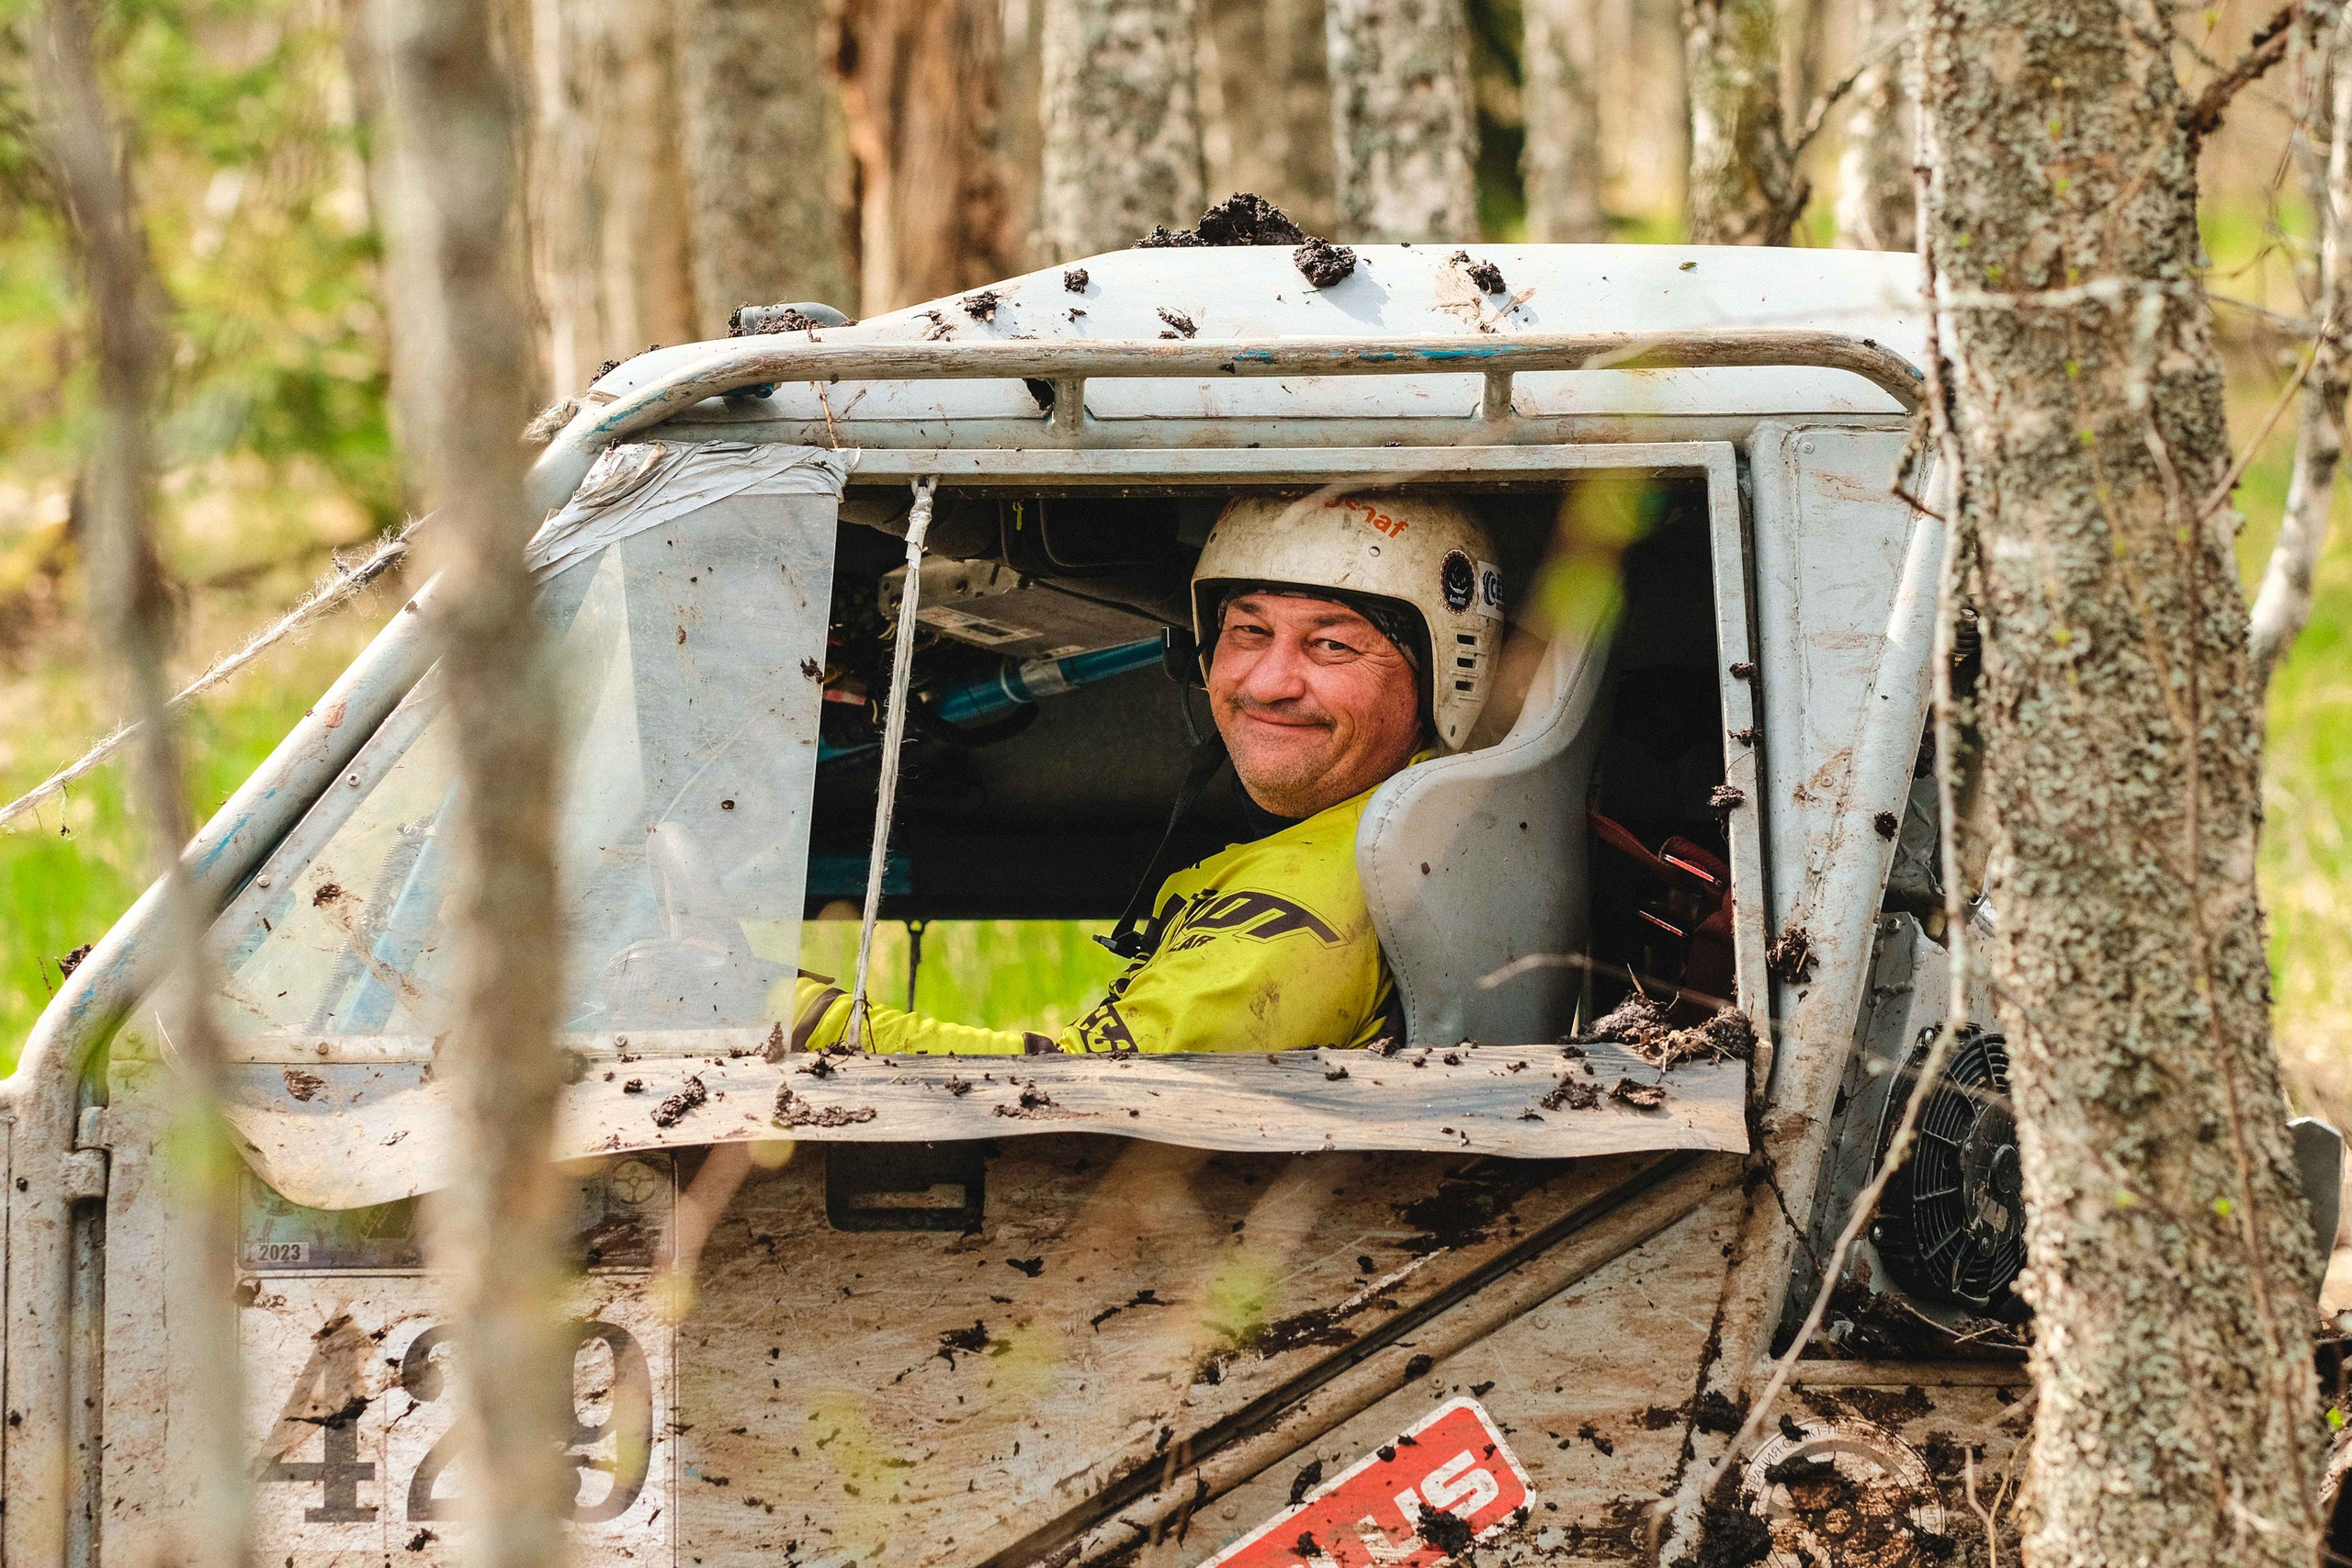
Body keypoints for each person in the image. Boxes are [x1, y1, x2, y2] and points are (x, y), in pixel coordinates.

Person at [788, 491, 1505, 1055]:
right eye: (1249, 632)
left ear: (1441, 673)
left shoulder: (1308, 911)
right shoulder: (1391, 832)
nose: (1270, 681)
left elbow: (1071, 1101)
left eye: (1331, 644)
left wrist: (790, 1012)